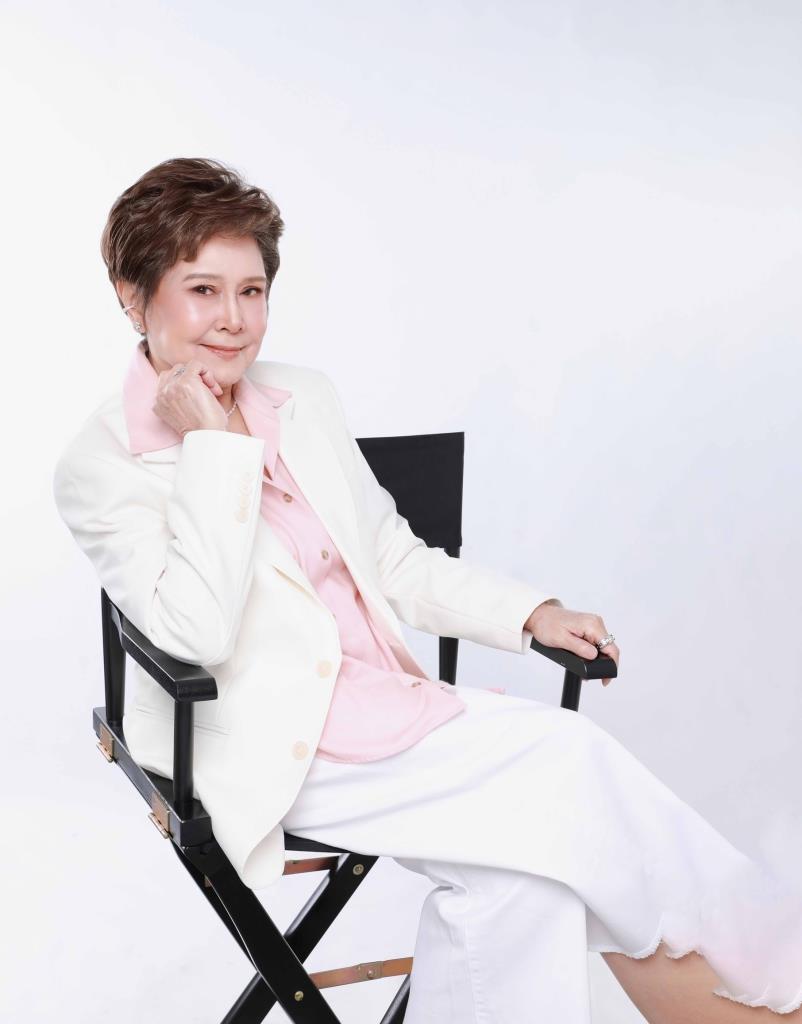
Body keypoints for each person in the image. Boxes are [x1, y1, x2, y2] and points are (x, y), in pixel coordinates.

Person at [53, 156, 802, 1022]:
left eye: (251, 291)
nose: (234, 320)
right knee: (569, 755)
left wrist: (531, 613)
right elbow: (197, 635)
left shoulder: (302, 398)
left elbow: (394, 559)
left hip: (382, 701)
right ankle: (782, 975)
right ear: (132, 296)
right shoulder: (100, 465)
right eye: (202, 290)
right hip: (262, 738)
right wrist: (215, 449)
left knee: (522, 883)